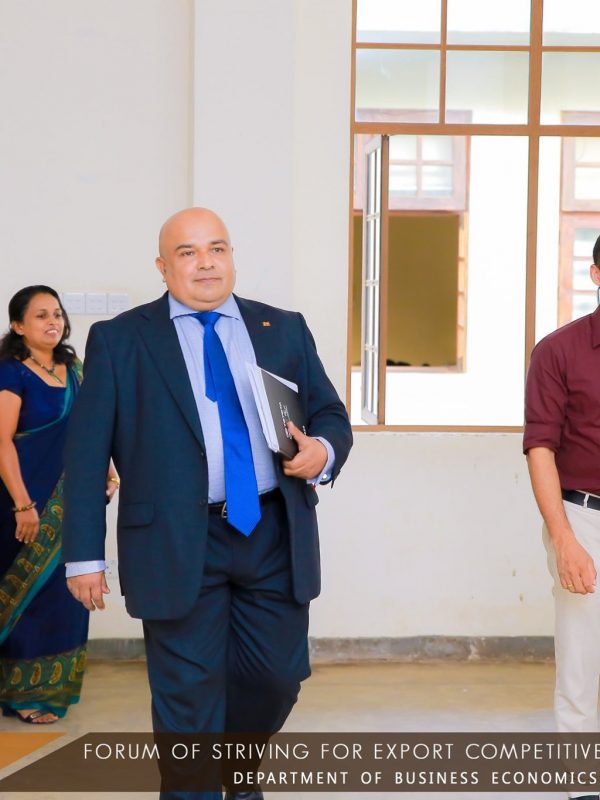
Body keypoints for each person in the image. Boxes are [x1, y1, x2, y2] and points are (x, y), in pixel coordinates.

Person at [62, 207, 353, 799]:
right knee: (187, 697)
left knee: (276, 678)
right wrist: (84, 556)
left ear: (232, 257)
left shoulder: (282, 328)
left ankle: (235, 774)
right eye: (188, 252)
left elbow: (328, 412)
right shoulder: (121, 339)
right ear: (162, 266)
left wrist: (321, 451)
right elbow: (87, 454)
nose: (205, 264)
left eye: (216, 249)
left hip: (272, 532)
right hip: (173, 540)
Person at [0, 286, 117, 724]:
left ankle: (51, 690)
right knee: (27, 598)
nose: (53, 322)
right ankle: (20, 693)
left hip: (74, 505)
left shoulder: (75, 368)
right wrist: (22, 505)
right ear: (18, 326)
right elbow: (2, 443)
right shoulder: (11, 372)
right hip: (23, 503)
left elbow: (93, 429)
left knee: (65, 596)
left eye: (57, 314)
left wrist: (106, 471)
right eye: (41, 315)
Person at [524, 235, 600, 800]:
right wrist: (564, 538)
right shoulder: (558, 352)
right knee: (581, 658)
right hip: (585, 517)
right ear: (596, 275)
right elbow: (540, 448)